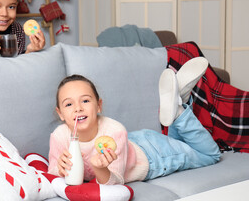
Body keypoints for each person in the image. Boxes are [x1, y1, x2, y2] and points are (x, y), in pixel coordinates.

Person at [48, 57, 221, 185]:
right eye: (69, 104)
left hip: (152, 154)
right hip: (131, 143)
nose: (78, 108)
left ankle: (179, 112)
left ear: (99, 105)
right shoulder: (59, 136)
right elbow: (53, 174)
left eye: (85, 100)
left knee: (210, 155)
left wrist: (100, 169)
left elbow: (116, 181)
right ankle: (178, 101)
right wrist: (60, 169)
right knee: (179, 142)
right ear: (60, 113)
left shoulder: (114, 131)